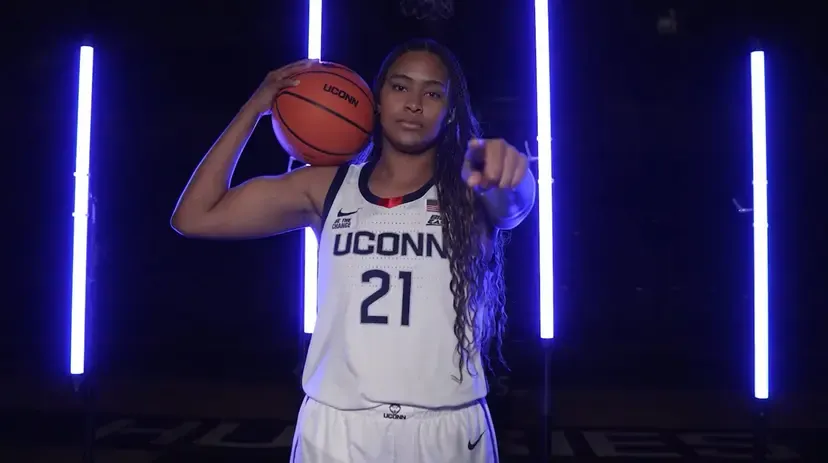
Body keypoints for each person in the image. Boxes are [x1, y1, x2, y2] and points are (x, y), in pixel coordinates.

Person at [171, 38, 535, 462]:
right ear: (376, 100)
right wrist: (256, 108)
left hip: (447, 427)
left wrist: (509, 172)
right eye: (400, 87)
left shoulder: (471, 189)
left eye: (432, 92)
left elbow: (515, 203)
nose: (414, 103)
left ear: (450, 109)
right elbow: (194, 216)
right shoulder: (326, 187)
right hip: (337, 426)